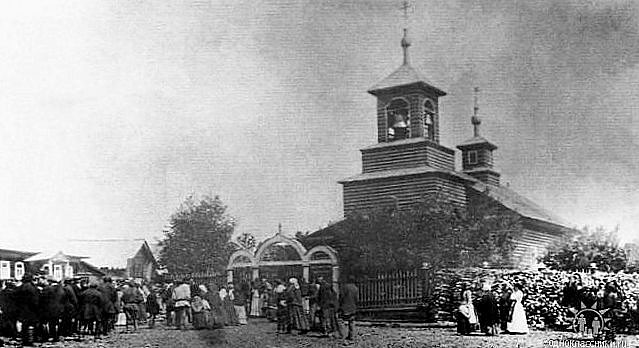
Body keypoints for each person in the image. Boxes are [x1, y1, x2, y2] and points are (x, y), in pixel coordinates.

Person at [339, 275, 359, 341]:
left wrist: (340, 304)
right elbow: (357, 299)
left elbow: (341, 297)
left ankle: (342, 335)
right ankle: (352, 336)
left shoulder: (344, 287)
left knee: (341, 321)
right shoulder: (355, 288)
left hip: (345, 307)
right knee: (352, 322)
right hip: (353, 307)